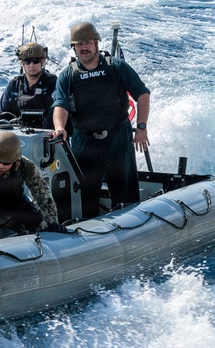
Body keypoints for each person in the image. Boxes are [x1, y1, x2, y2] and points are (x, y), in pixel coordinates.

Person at [50, 21, 150, 219]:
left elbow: (142, 94)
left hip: (118, 140)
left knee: (126, 199)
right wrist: (60, 127)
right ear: (74, 48)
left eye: (87, 42)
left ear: (96, 43)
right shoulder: (67, 75)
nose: (84, 48)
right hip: (84, 143)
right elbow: (59, 104)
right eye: (79, 44)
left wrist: (141, 127)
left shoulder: (117, 67)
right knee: (86, 201)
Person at [0, 41, 65, 132]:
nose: (32, 65)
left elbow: (58, 110)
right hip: (18, 138)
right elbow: (0, 114)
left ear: (43, 61)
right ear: (22, 63)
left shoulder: (53, 84)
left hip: (48, 138)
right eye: (27, 61)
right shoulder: (14, 85)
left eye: (35, 61)